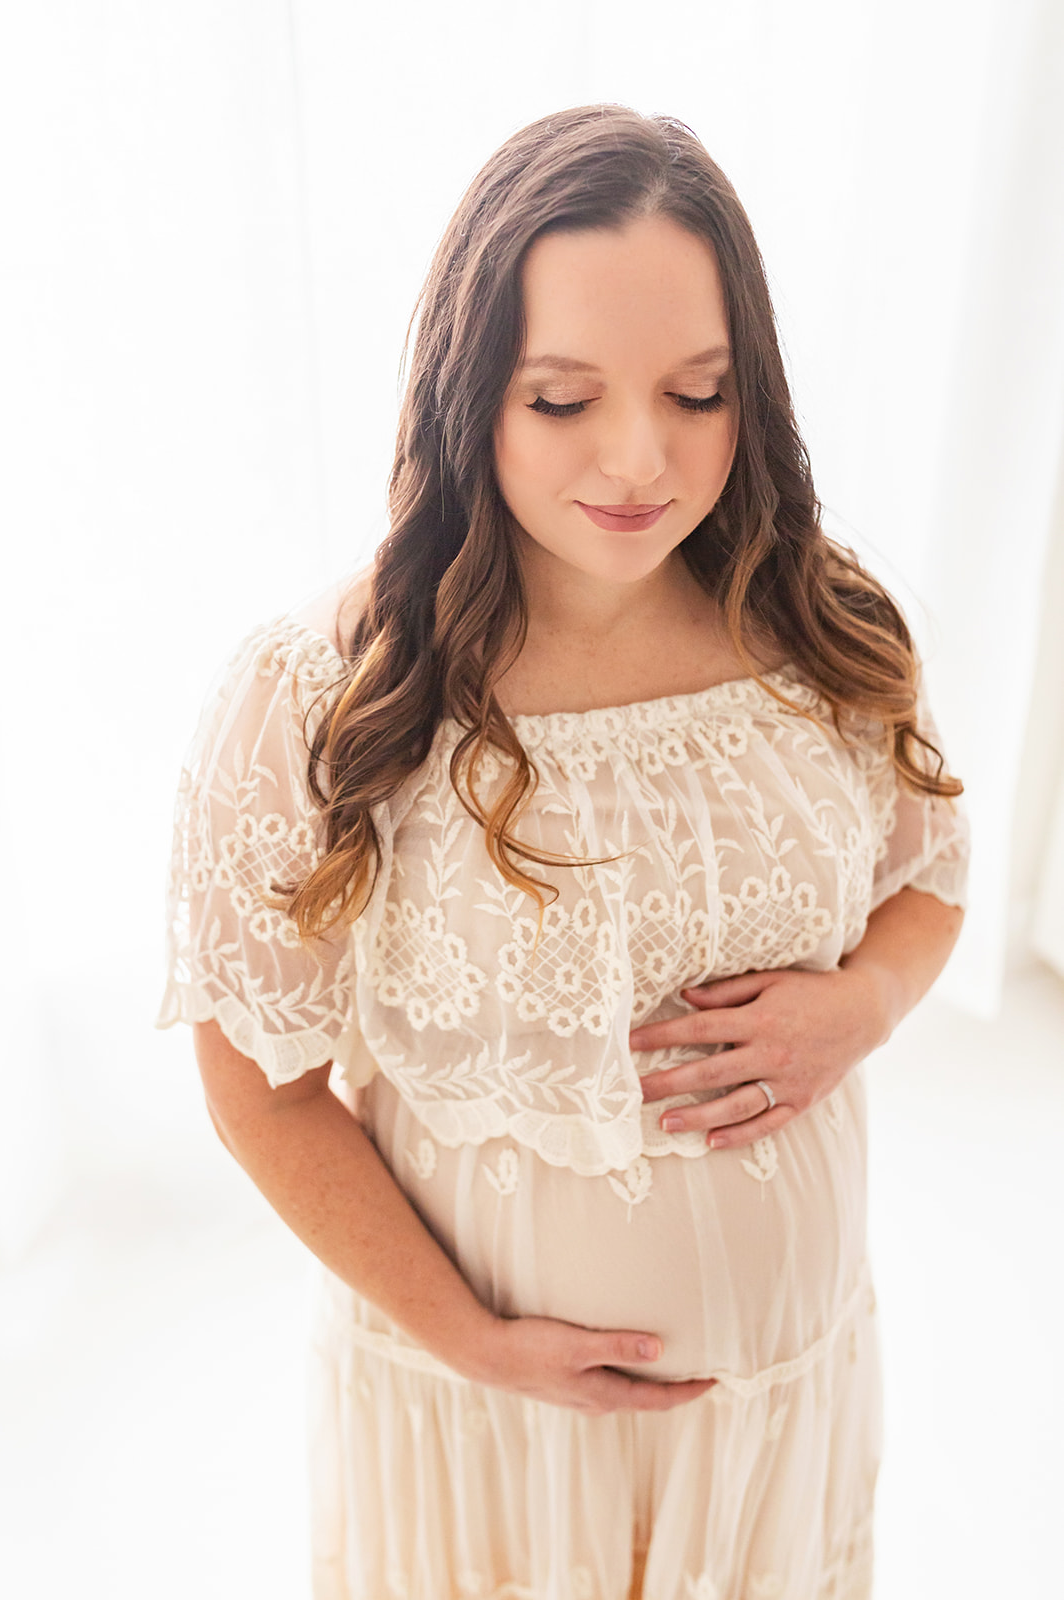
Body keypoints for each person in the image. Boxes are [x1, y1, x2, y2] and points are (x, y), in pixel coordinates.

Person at [158, 104, 969, 1600]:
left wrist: (866, 1005)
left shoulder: (823, 628)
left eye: (699, 392)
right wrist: (473, 1342)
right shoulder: (326, 695)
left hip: (781, 1412)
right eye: (563, 399)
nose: (642, 458)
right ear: (472, 392)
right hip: (483, 1426)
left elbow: (926, 881)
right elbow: (253, 1083)